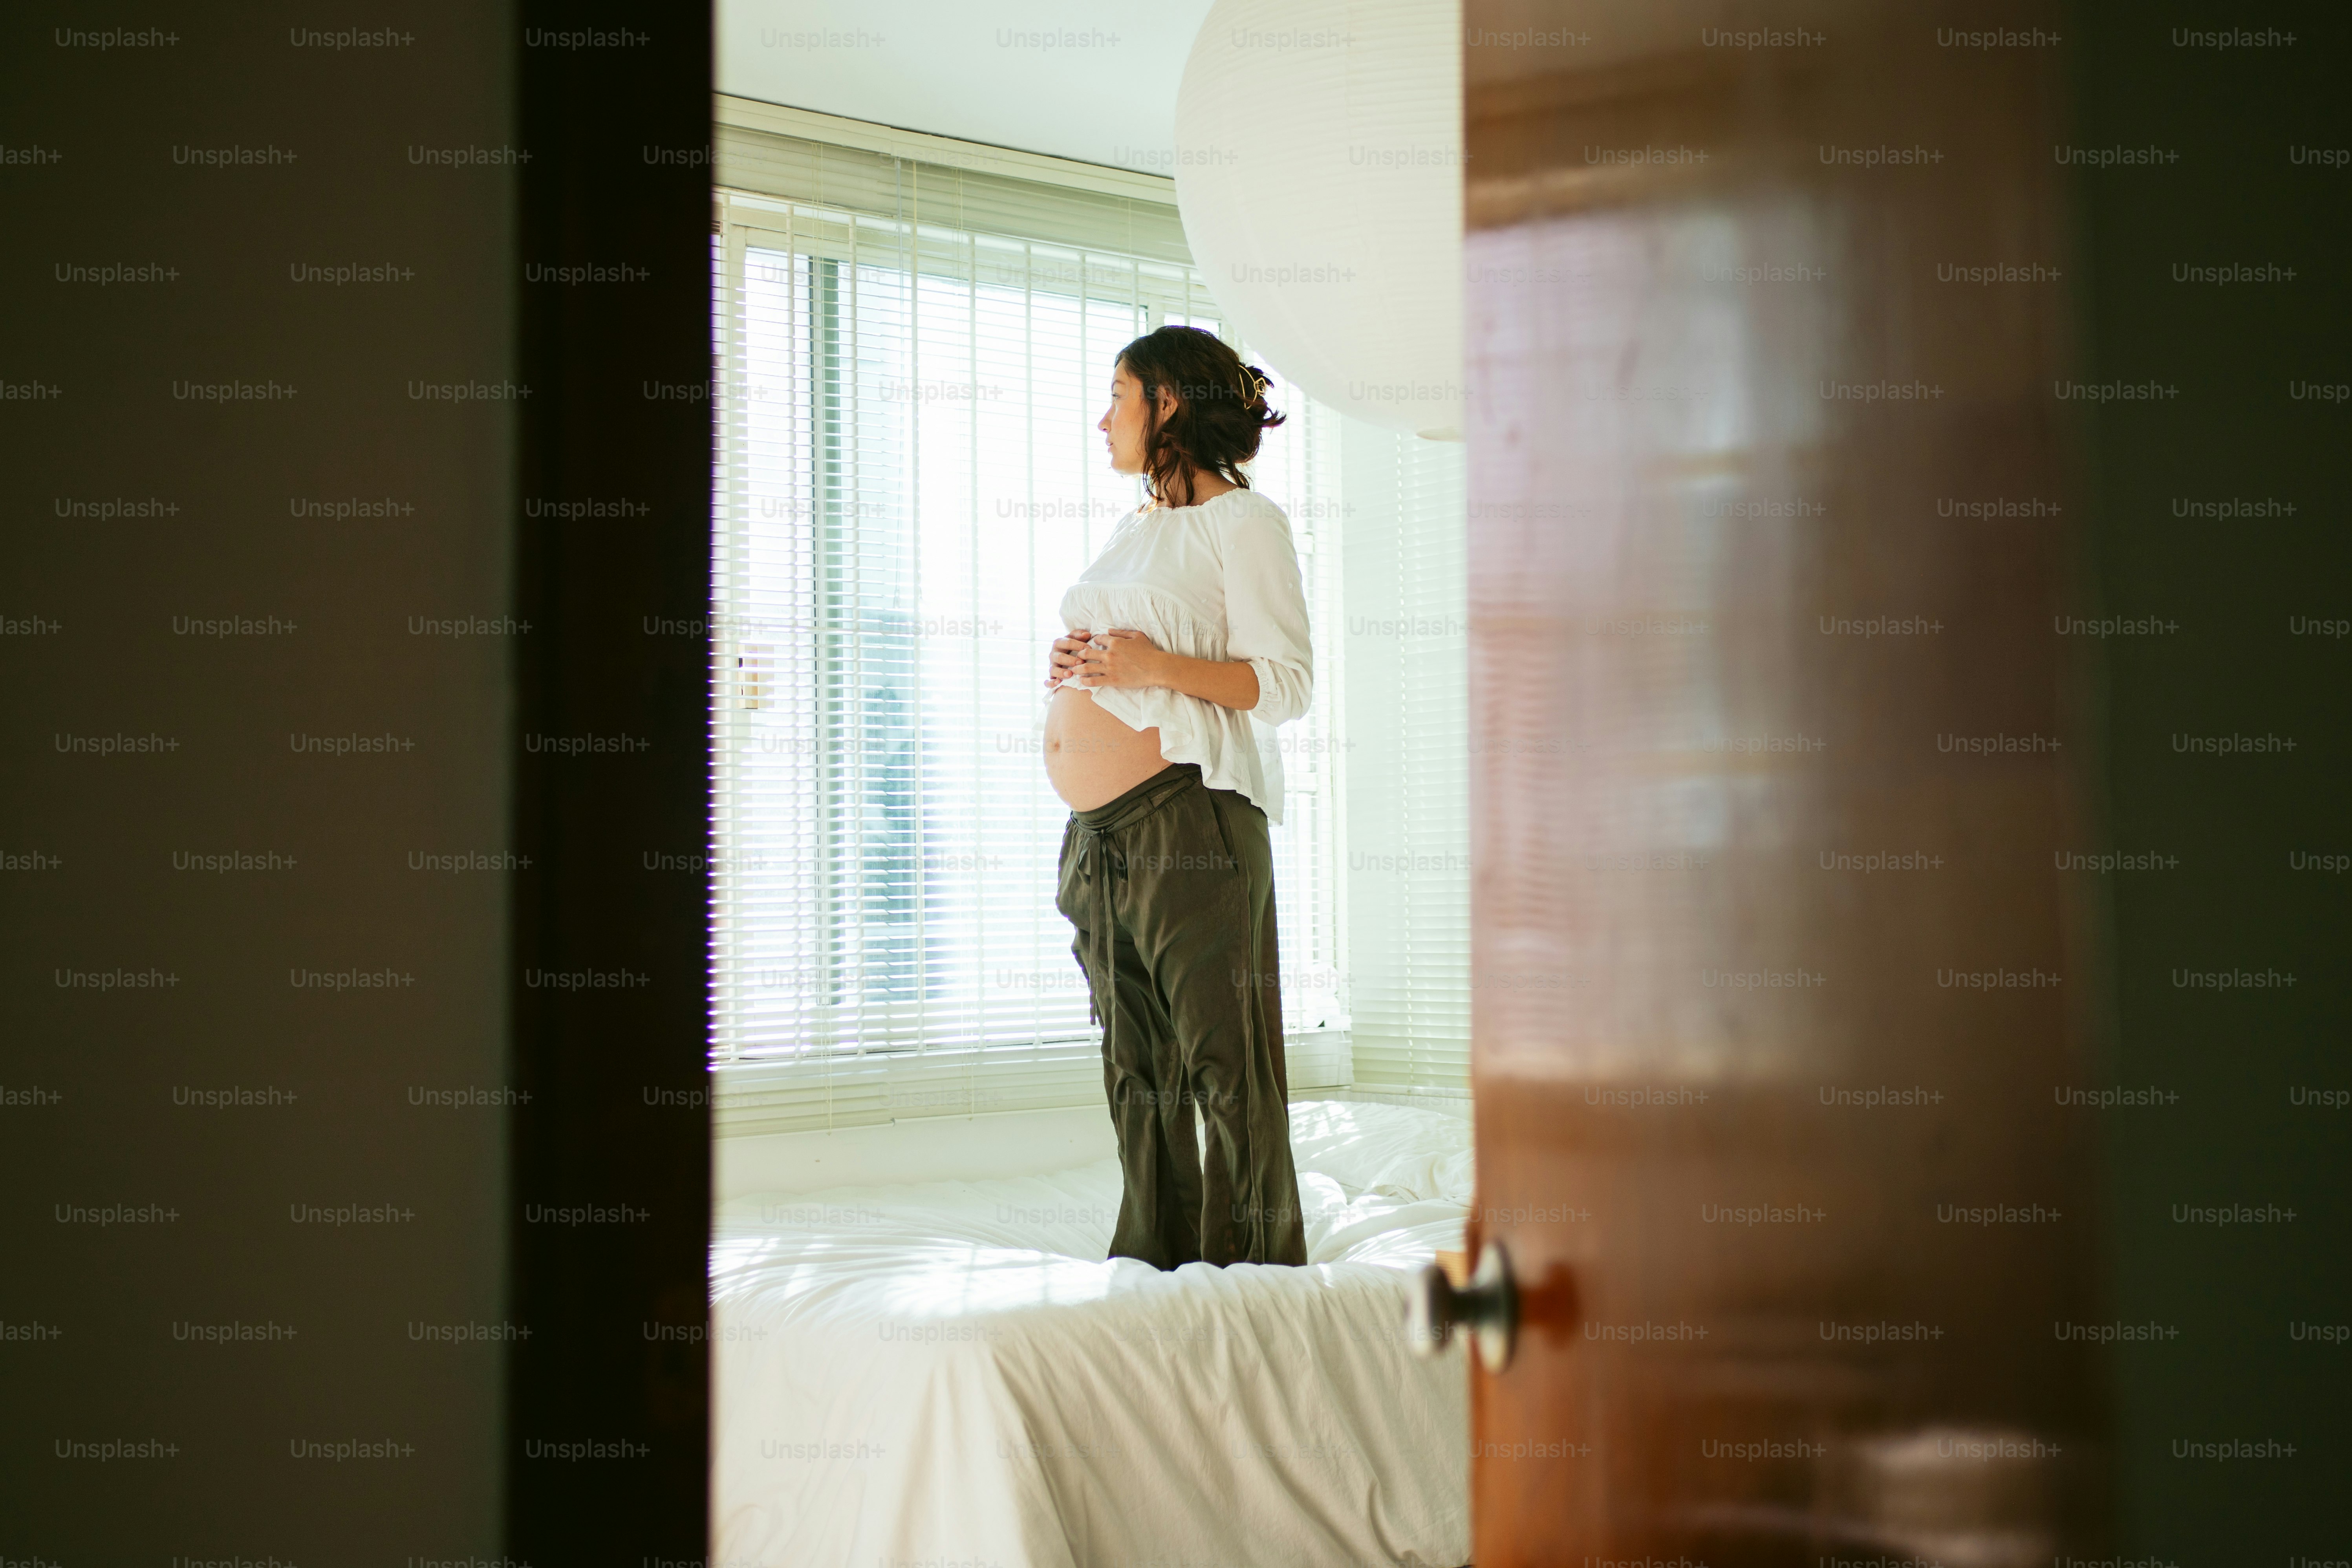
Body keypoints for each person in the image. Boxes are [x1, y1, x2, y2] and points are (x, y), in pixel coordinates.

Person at [1041, 325, 1311, 1270]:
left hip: (1188, 821)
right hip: (1098, 834)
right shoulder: (1137, 528)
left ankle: (1254, 1276)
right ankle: (1154, 1269)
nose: (1103, 416)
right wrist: (1078, 666)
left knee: (1224, 1062)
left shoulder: (1246, 522)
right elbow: (1126, 662)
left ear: (1168, 404)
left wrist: (1151, 663)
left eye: (1118, 393)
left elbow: (1283, 683)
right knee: (1137, 1069)